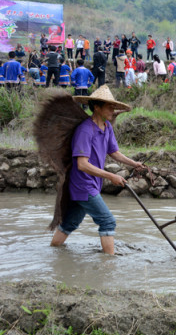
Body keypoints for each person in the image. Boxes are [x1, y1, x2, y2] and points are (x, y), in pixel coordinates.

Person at [49, 85, 143, 255]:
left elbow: (114, 152)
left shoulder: (107, 128)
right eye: (109, 107)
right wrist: (111, 176)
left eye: (113, 107)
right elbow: (82, 164)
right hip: (83, 186)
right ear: (97, 107)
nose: (112, 111)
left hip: (92, 184)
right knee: (107, 221)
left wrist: (134, 163)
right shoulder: (85, 130)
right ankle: (109, 264)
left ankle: (54, 253)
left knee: (70, 223)